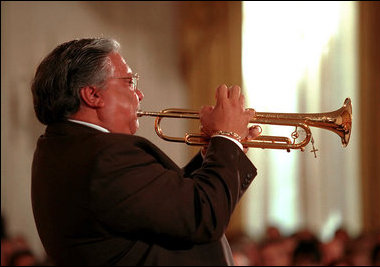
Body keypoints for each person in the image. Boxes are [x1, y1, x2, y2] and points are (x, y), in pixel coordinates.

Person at [30, 37, 261, 265]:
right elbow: (203, 216)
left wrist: (220, 151)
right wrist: (227, 139)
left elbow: (171, 209)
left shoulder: (60, 147)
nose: (139, 95)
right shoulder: (106, 156)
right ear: (93, 95)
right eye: (129, 82)